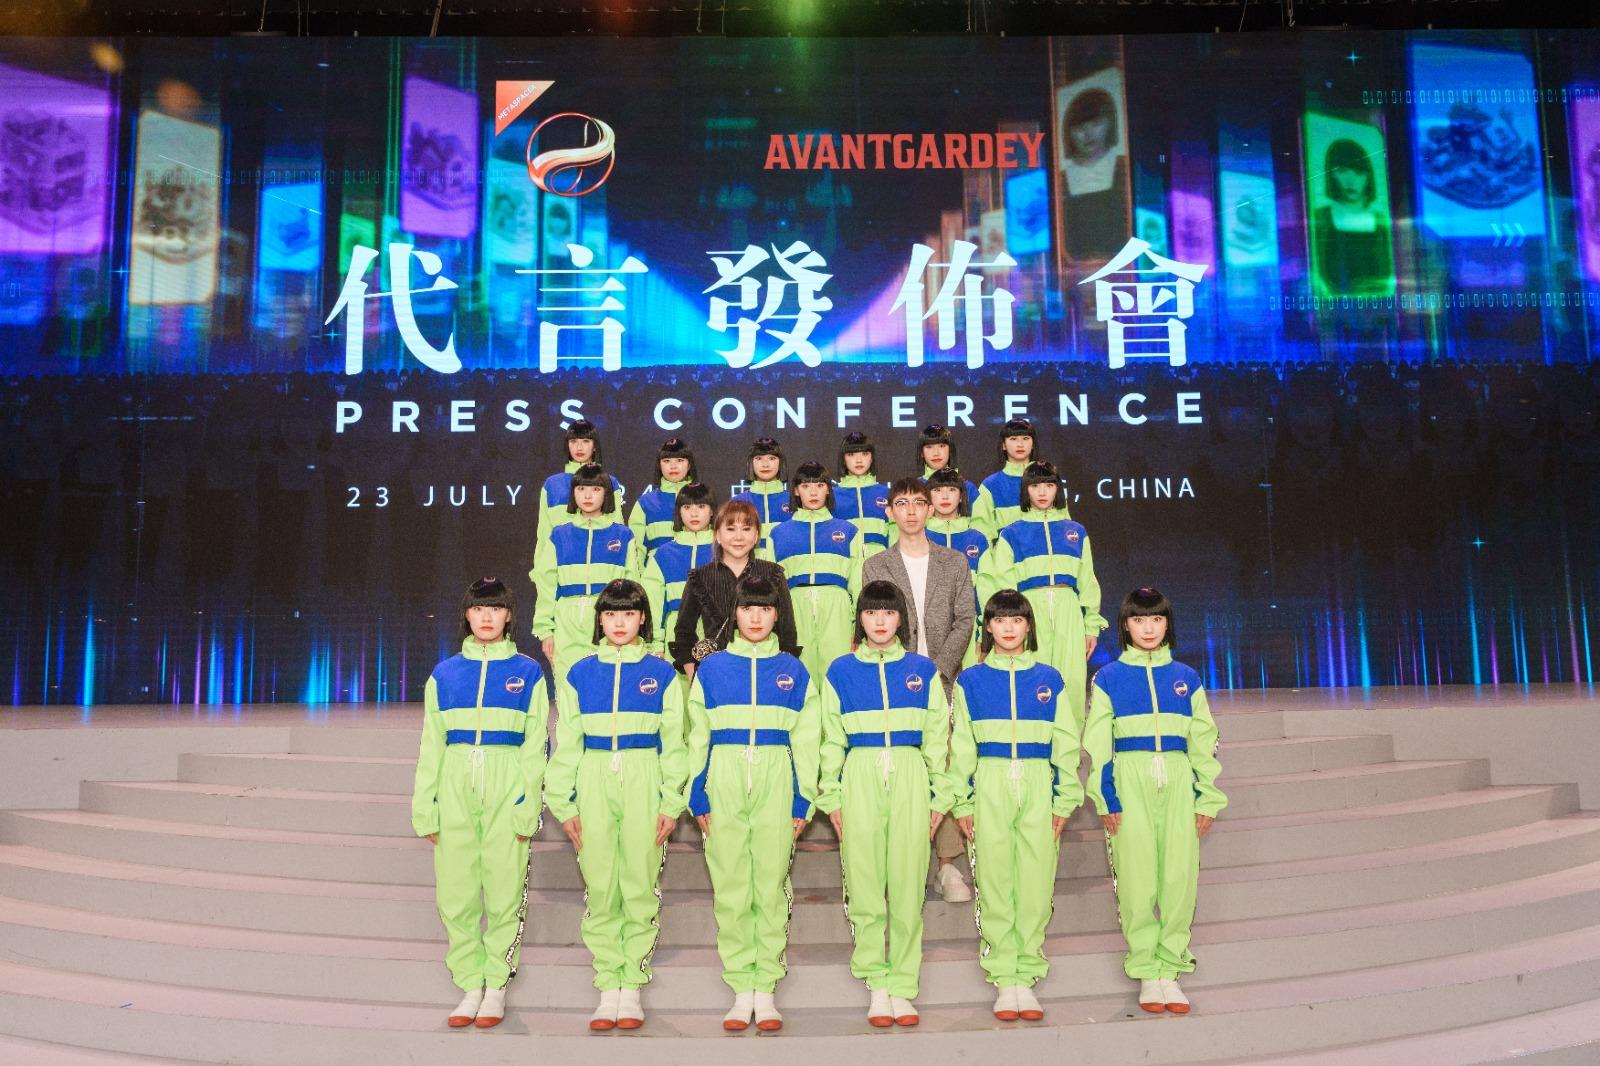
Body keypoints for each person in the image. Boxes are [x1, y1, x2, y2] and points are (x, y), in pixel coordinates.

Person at [546, 579, 688, 1030]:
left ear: (643, 618)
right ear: (600, 620)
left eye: (628, 614)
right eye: (610, 614)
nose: (620, 623)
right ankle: (609, 983)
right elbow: (567, 741)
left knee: (640, 883)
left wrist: (671, 800)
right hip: (593, 777)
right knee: (601, 884)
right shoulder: (580, 673)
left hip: (645, 776)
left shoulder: (662, 675)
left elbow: (675, 744)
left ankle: (633, 985)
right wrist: (563, 803)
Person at [411, 577, 549, 1029]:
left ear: (509, 616)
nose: (486, 617)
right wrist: (426, 805)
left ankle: (496, 984)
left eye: (495, 609)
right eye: (478, 609)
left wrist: (529, 803)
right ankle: (470, 982)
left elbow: (536, 744)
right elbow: (431, 744)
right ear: (466, 616)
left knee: (505, 889)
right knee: (456, 892)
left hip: (507, 779)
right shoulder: (445, 674)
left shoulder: (528, 672)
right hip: (454, 782)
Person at [686, 575, 822, 1032]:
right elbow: (697, 735)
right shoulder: (712, 669)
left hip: (776, 777)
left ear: (777, 615)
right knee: (730, 886)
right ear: (736, 614)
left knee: (769, 884)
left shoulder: (793, 671)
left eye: (765, 609)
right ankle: (740, 987)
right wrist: (697, 790)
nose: (757, 617)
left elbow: (807, 740)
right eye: (748, 609)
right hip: (722, 777)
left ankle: (765, 987)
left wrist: (803, 798)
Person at [815, 581, 954, 1027]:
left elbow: (938, 737)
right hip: (859, 774)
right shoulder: (840, 671)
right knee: (866, 884)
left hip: (911, 775)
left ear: (901, 619)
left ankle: (903, 985)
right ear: (860, 619)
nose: (880, 621)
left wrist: (940, 797)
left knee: (909, 886)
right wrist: (832, 795)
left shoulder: (922, 670)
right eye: (871, 612)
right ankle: (876, 982)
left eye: (889, 613)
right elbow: (830, 739)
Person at [1085, 586, 1226, 1016]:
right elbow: (1098, 744)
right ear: (1125, 625)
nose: (1148, 628)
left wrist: (1207, 798)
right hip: (1130, 780)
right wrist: (1106, 797)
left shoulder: (1186, 677)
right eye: (1139, 620)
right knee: (1137, 879)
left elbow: (1204, 741)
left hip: (1179, 781)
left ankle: (1172, 967)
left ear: (1168, 624)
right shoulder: (1108, 678)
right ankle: (1147, 969)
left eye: (1157, 619)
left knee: (1180, 878)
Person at [949, 589, 1083, 1023]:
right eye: (1000, 620)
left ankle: (1027, 973)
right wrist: (962, 802)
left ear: (1029, 626)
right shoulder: (971, 680)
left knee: (1035, 883)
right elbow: (962, 746)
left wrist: (1064, 799)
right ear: (987, 627)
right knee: (994, 881)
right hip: (989, 784)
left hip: (1038, 783)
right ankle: (1004, 977)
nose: (1008, 628)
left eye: (1017, 620)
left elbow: (1066, 744)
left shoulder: (1049, 678)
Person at [862, 476, 977, 904]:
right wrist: (906, 668)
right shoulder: (876, 565)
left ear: (931, 509)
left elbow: (966, 619)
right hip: (893, 680)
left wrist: (938, 668)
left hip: (941, 679)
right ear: (889, 511)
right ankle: (898, 863)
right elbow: (872, 618)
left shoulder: (955, 562)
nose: (910, 511)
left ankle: (947, 864)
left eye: (918, 503)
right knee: (900, 769)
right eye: (902, 503)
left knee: (941, 766)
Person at [978, 460, 1105, 731]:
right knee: (1033, 678)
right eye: (1036, 486)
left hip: (1069, 609)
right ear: (1026, 490)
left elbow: (1087, 580)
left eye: (1049, 485)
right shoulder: (1011, 534)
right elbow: (1004, 585)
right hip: (1029, 610)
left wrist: (1091, 625)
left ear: (1058, 489)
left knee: (1071, 681)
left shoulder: (1076, 532)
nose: (1043, 492)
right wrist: (1013, 621)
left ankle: (1069, 748)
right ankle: (1033, 743)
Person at [530, 463, 642, 684]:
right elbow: (546, 585)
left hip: (610, 618)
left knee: (608, 688)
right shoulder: (559, 535)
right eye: (581, 489)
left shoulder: (623, 535)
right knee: (567, 688)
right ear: (573, 493)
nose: (587, 495)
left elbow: (633, 586)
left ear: (606, 494)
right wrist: (546, 631)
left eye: (595, 489)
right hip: (566, 622)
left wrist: (633, 628)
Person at [762, 461, 864, 685]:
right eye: (806, 486)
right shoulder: (778, 534)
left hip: (837, 607)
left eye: (819, 485)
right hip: (794, 607)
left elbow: (857, 582)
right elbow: (770, 587)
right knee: (798, 676)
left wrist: (859, 626)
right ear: (796, 491)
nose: (813, 492)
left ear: (828, 489)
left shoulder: (849, 531)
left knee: (838, 676)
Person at [670, 499, 799, 674]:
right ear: (717, 534)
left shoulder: (773, 574)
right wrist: (696, 677)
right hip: (716, 672)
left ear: (756, 535)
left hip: (766, 670)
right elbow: (684, 632)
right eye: (731, 529)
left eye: (746, 529)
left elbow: (787, 631)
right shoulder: (700, 577)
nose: (738, 537)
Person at [640, 481, 716, 659]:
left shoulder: (725, 550)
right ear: (678, 512)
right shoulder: (663, 554)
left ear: (712, 511)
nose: (694, 513)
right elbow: (653, 603)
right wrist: (655, 644)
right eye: (687, 507)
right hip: (674, 635)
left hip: (717, 633)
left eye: (701, 506)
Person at [535, 420, 624, 547]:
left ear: (595, 446)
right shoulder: (552, 485)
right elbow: (544, 535)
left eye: (586, 441)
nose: (579, 447)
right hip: (561, 557)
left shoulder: (610, 482)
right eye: (573, 441)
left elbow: (618, 531)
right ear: (567, 445)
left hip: (600, 556)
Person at [972, 418, 1057, 539]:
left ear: (1033, 444)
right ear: (1003, 445)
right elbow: (981, 534)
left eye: (1025, 438)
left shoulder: (1049, 479)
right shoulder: (990, 485)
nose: (1020, 444)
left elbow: (1064, 525)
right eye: (1013, 439)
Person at [628, 436, 698, 555]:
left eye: (680, 460)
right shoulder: (645, 503)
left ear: (689, 464)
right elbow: (635, 549)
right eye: (666, 461)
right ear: (659, 465)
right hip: (655, 567)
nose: (673, 466)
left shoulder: (702, 499)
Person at [832, 431, 889, 557]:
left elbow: (895, 534)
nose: (859, 460)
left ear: (872, 457)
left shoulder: (887, 493)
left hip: (881, 562)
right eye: (851, 454)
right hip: (847, 563)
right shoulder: (832, 496)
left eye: (864, 454)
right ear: (843, 459)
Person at [731, 436, 791, 548]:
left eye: (772, 458)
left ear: (780, 463)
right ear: (751, 463)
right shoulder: (738, 502)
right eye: (758, 458)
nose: (765, 464)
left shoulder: (793, 500)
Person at [914, 423, 979, 504]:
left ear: (950, 450)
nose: (936, 453)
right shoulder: (914, 488)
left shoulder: (968, 488)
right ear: (921, 453)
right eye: (929, 447)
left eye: (942, 446)